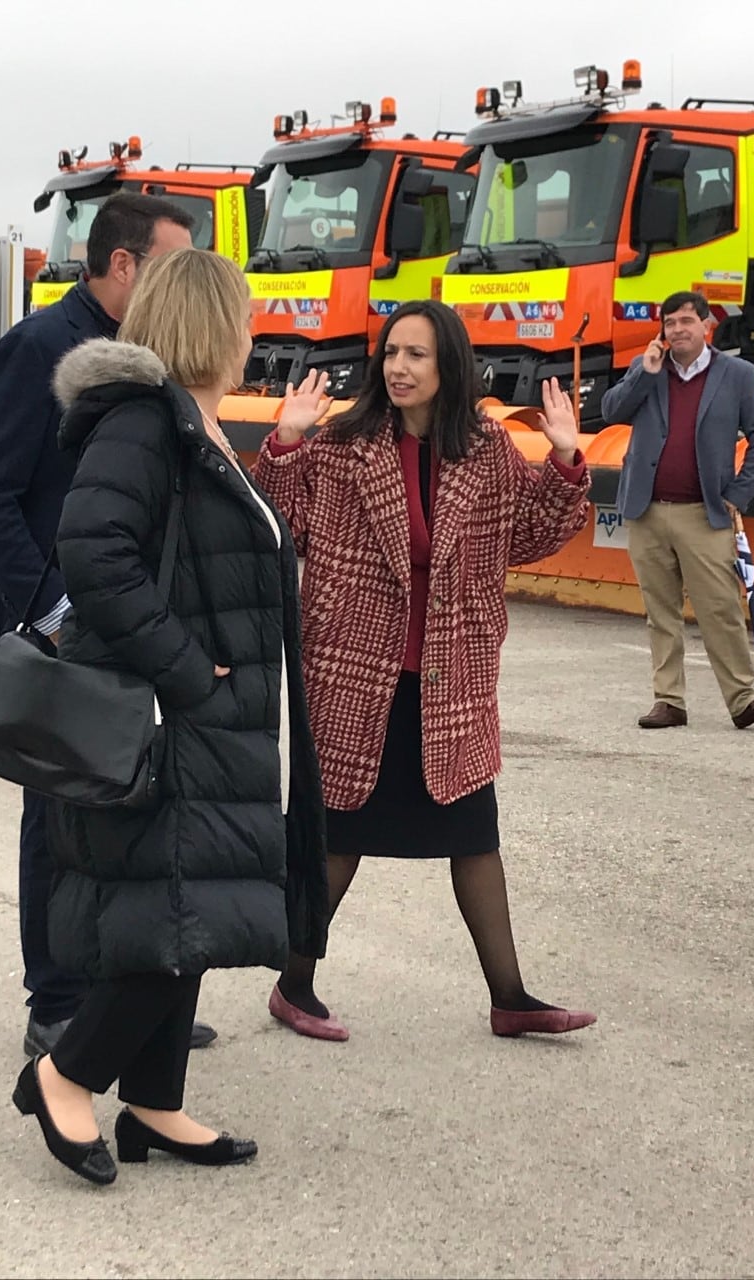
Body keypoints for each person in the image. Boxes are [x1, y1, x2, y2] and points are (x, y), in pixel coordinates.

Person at [12, 247, 329, 1185]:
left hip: (215, 715)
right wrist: (188, 672)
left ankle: (155, 1103)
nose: (251, 334)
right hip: (177, 712)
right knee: (176, 901)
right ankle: (65, 1075)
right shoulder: (146, 423)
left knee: (184, 907)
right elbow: (93, 552)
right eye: (244, 316)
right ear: (212, 324)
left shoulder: (195, 424)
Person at [253, 298, 597, 1042]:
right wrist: (283, 445)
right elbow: (285, 530)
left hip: (453, 673)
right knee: (338, 834)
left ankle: (510, 997)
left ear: (450, 366)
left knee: (475, 836)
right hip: (354, 668)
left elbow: (530, 535)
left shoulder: (488, 448)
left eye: (417, 354)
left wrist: (566, 459)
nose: (399, 368)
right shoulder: (343, 445)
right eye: (391, 353)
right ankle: (294, 984)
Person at [0, 192, 219, 1057]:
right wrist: (56, 606)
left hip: (138, 624)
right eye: (172, 264)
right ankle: (57, 1001)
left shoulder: (152, 358)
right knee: (61, 818)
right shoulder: (37, 347)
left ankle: (126, 999)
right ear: (122, 265)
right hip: (66, 631)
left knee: (131, 816)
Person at [600, 291, 754, 730]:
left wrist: (739, 493)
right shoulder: (648, 370)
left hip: (704, 512)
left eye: (686, 322)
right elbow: (610, 411)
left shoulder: (735, 374)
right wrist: (643, 374)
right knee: (659, 611)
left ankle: (744, 698)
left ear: (707, 326)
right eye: (670, 323)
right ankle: (669, 701)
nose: (677, 330)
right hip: (646, 510)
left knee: (719, 606)